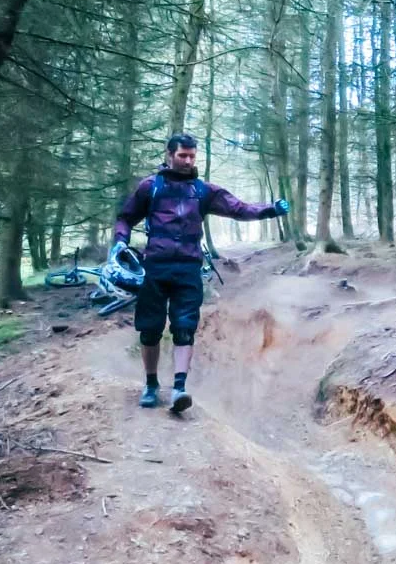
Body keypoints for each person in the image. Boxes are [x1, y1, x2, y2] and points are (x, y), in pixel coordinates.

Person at [114, 133, 290, 413]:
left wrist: (269, 210)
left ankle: (179, 389)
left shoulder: (203, 191)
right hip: (156, 267)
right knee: (149, 329)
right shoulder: (151, 187)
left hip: (188, 269)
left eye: (192, 156)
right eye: (182, 155)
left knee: (185, 328)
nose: (187, 161)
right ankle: (150, 385)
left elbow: (238, 209)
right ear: (169, 155)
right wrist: (120, 244)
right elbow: (125, 217)